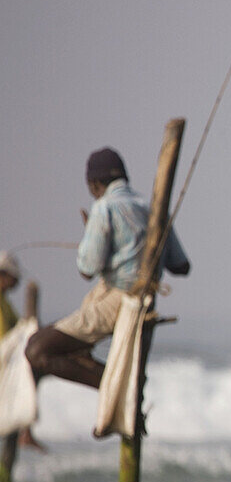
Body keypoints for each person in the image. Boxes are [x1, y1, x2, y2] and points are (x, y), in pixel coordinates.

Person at [25, 148, 190, 389]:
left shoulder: (104, 208)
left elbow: (88, 268)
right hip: (147, 300)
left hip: (120, 299)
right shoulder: (152, 208)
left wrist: (89, 234)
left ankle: (116, 385)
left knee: (36, 349)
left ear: (93, 184)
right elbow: (181, 266)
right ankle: (121, 382)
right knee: (74, 338)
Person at [0, 252, 44, 451]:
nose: (16, 281)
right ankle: (25, 432)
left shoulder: (5, 303)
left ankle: (26, 430)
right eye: (13, 277)